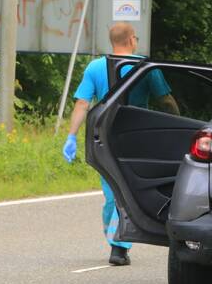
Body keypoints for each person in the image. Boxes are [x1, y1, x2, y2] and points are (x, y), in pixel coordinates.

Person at [62, 22, 178, 266]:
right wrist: (179, 126)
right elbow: (166, 101)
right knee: (128, 191)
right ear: (131, 40)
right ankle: (119, 244)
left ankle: (117, 242)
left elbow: (82, 104)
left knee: (112, 192)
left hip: (104, 138)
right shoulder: (146, 68)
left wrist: (71, 136)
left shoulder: (94, 67)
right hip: (138, 138)